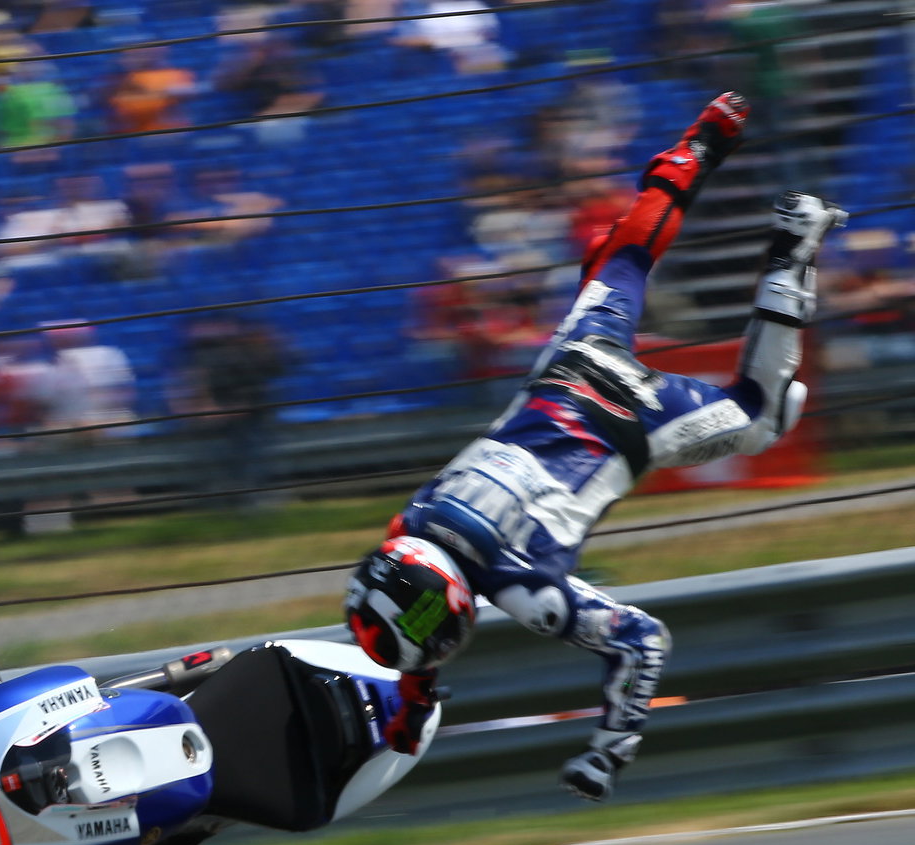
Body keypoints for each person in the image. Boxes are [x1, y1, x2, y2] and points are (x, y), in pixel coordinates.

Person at [342, 93, 849, 801]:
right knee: (621, 259)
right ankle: (696, 151)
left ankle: (796, 247)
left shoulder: (523, 587)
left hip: (637, 422)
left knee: (764, 413)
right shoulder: (414, 519)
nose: (441, 631)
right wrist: (412, 694)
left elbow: (643, 639)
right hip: (571, 366)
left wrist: (609, 749)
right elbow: (415, 587)